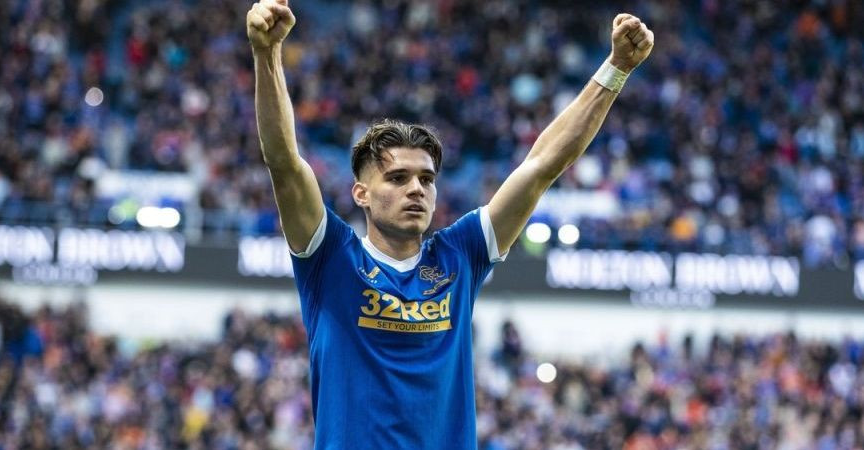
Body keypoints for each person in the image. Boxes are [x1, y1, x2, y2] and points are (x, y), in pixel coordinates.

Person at [246, 1, 653, 447]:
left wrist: (616, 69)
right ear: (360, 193)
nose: (416, 189)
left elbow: (541, 166)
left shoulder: (459, 255)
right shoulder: (330, 258)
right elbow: (284, 162)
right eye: (397, 178)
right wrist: (267, 54)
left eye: (426, 179)